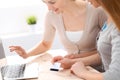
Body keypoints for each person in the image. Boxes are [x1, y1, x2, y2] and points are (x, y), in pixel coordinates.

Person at [9, 0, 106, 60]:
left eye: (52, 2)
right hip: (72, 70)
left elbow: (109, 49)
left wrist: (76, 59)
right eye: (45, 2)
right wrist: (27, 54)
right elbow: (45, 44)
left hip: (98, 70)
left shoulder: (97, 10)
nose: (49, 8)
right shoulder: (51, 16)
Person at [70, 0, 120, 80]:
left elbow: (115, 76)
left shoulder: (117, 27)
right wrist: (73, 60)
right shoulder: (111, 18)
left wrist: (83, 73)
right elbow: (107, 53)